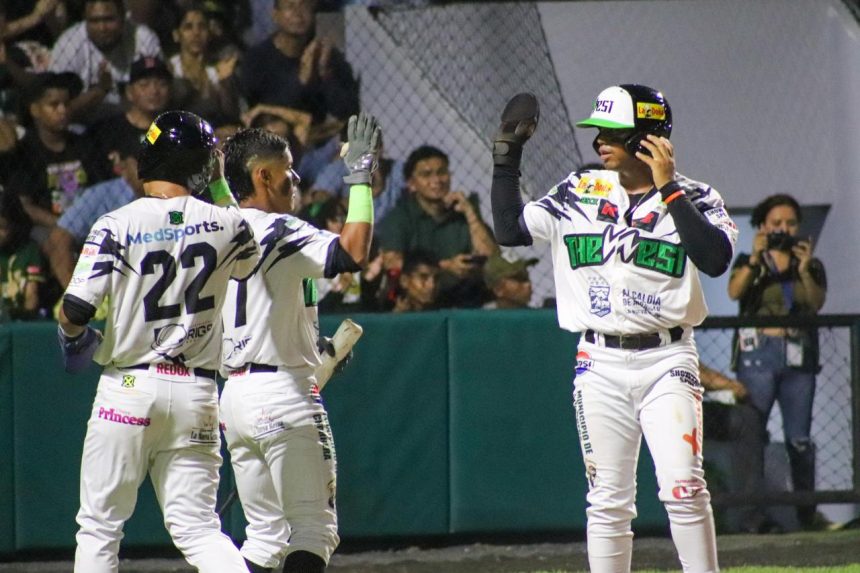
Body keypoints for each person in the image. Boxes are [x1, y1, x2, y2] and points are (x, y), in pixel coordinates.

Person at [491, 86, 739, 572]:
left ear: (650, 138)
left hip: (667, 359)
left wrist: (668, 189)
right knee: (607, 499)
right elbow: (509, 230)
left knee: (684, 488)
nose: (600, 140)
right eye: (598, 131)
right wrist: (507, 157)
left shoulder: (696, 196)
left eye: (614, 132)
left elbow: (714, 259)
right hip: (598, 362)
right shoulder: (579, 189)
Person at [56, 110, 261, 572]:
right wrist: (221, 184)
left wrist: (74, 340)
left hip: (128, 390)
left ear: (148, 157)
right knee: (200, 528)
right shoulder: (231, 224)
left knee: (100, 526)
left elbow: (75, 310)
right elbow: (248, 263)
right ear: (204, 166)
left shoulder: (115, 222)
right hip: (197, 391)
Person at [219, 113, 380, 572]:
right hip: (283, 394)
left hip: (235, 396)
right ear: (262, 176)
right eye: (286, 169)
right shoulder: (279, 229)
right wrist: (361, 178)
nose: (296, 178)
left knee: (266, 538)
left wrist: (310, 343)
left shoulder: (223, 227)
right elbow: (352, 251)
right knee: (314, 530)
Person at [726, 193, 829, 531]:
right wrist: (756, 257)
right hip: (758, 356)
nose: (784, 230)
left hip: (798, 357)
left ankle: (806, 512)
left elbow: (815, 303)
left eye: (790, 224)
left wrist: (803, 270)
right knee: (753, 434)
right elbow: (735, 292)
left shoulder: (809, 264)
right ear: (762, 226)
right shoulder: (749, 261)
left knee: (799, 439)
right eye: (776, 224)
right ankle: (753, 516)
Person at [379, 144, 499, 308]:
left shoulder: (462, 213)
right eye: (426, 175)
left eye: (441, 172)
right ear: (412, 184)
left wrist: (470, 213)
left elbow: (492, 257)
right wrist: (445, 267)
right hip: (417, 302)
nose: (436, 180)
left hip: (464, 296)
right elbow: (392, 262)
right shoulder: (400, 217)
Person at [43, 133, 144, 290]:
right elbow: (58, 239)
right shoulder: (103, 194)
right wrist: (77, 296)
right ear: (123, 168)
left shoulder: (181, 195)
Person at [49, 0, 162, 124]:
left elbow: (161, 93)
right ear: (85, 20)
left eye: (109, 20)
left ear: (123, 17)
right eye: (94, 21)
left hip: (137, 125)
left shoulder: (142, 37)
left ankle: (150, 142)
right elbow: (57, 111)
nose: (102, 28)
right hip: (83, 130)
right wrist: (100, 90)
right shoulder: (69, 44)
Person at [698, 363, 775, 534]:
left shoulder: (678, 339)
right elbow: (684, 368)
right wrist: (728, 385)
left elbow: (690, 364)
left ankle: (751, 517)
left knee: (746, 419)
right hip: (646, 409)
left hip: (686, 408)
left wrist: (732, 387)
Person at [89, 55, 172, 175]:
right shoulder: (108, 131)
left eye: (162, 84)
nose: (154, 91)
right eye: (144, 84)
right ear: (129, 92)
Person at [168, 3, 240, 122]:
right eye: (188, 27)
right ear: (176, 35)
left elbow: (232, 114)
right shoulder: (169, 69)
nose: (196, 33)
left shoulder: (218, 69)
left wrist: (224, 84)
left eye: (202, 27)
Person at [0, 189, 45, 320]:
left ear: (15, 225)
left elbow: (32, 296)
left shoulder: (28, 250)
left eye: (2, 228)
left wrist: (25, 316)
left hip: (17, 315)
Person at [391, 249, 439, 313]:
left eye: (436, 278)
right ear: (404, 281)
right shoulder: (383, 311)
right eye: (423, 277)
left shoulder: (446, 310)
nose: (432, 285)